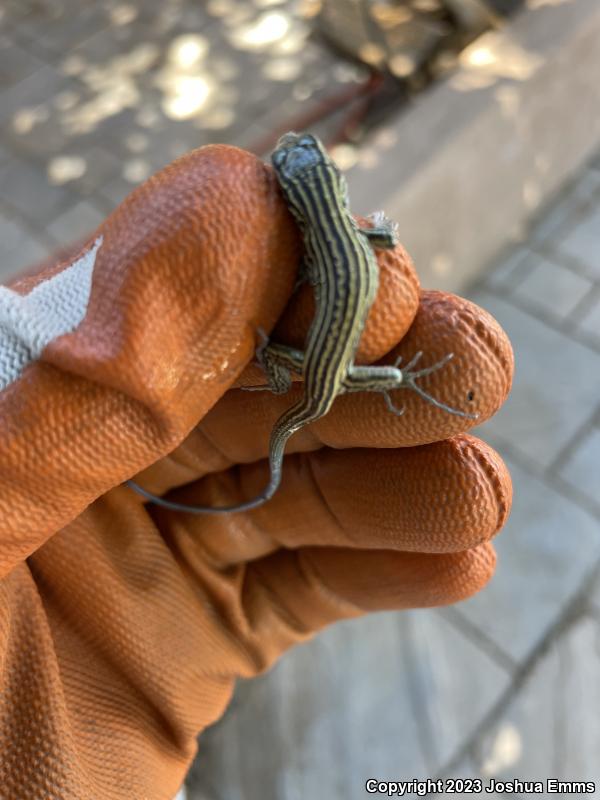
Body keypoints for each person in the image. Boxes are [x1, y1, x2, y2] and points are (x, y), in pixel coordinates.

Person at [0, 143, 513, 799]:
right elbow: (361, 228)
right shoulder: (319, 200)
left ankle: (388, 377)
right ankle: (400, 379)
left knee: (315, 397)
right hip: (330, 373)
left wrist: (274, 353)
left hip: (319, 373)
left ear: (306, 193)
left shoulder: (305, 203)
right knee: (334, 396)